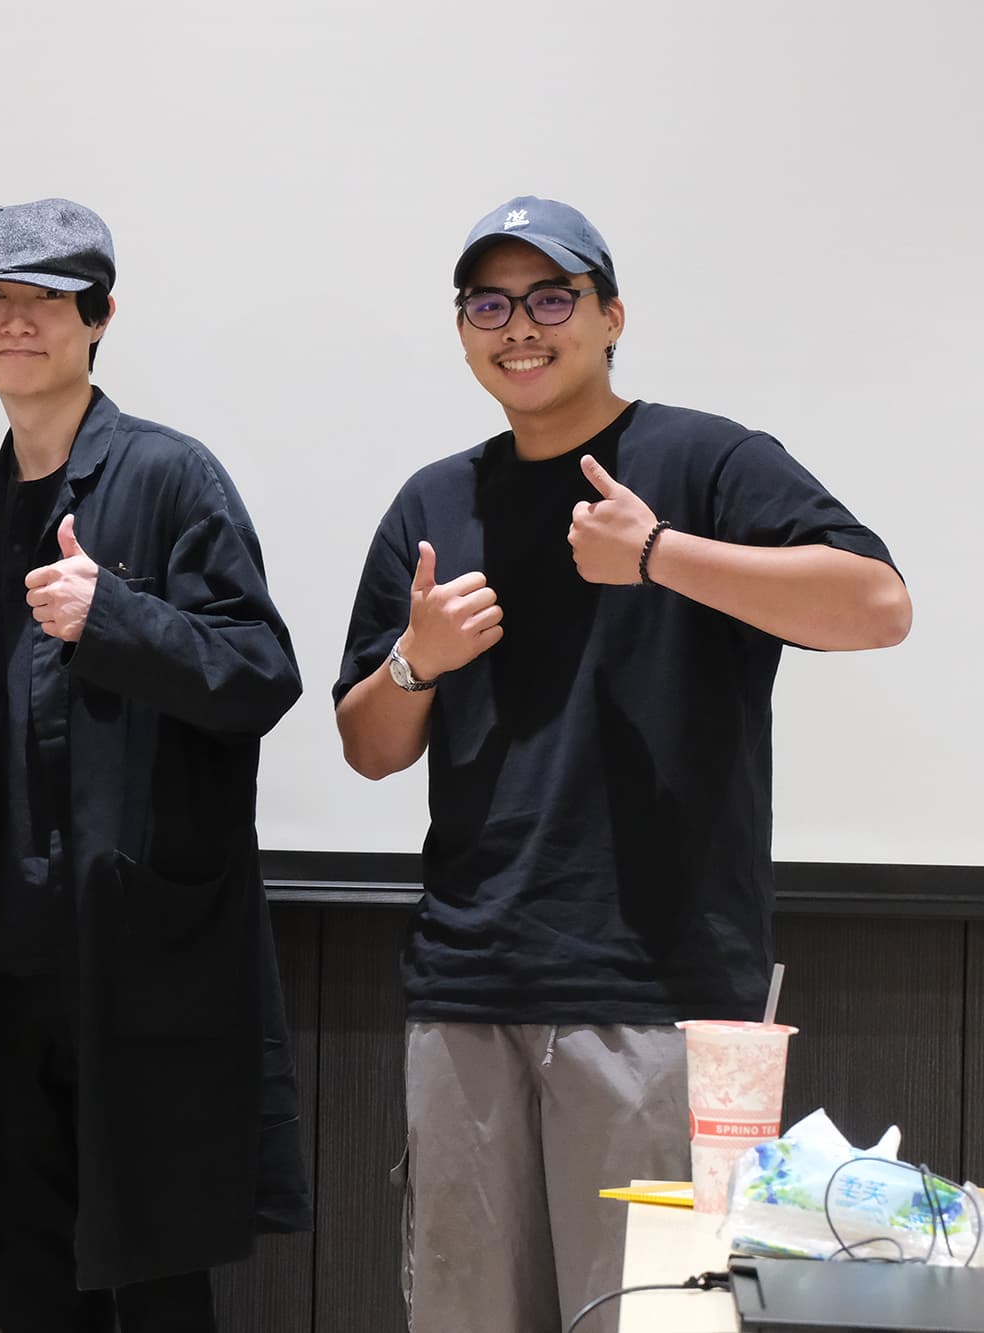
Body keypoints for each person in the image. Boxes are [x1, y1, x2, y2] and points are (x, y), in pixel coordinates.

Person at [332, 196, 913, 1333]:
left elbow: (877, 605)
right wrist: (415, 661)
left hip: (662, 995)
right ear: (463, 331)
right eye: (489, 304)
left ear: (611, 317)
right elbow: (368, 746)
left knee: (647, 1319)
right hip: (468, 986)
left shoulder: (703, 458)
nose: (519, 326)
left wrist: (655, 552)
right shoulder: (434, 500)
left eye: (551, 298)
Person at [0, 198, 313, 1332]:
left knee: (161, 1279)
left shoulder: (172, 477)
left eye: (44, 298)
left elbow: (260, 675)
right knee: (25, 1277)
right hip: (0, 973)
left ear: (99, 317)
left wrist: (115, 616)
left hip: (142, 967)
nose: (13, 321)